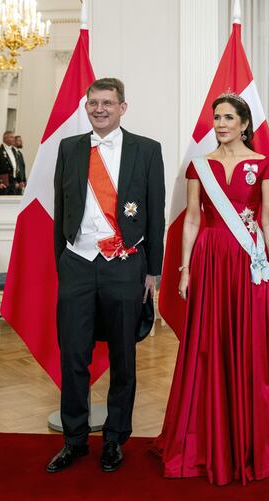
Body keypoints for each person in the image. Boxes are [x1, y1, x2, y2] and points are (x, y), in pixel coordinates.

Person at [152, 92, 269, 486]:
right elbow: (191, 221)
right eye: (216, 117)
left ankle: (251, 441)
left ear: (245, 124)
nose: (220, 124)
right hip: (211, 260)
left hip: (249, 262)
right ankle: (203, 440)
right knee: (206, 345)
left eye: (228, 117)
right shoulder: (199, 166)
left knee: (250, 345)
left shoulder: (263, 165)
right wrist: (184, 270)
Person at [47, 78, 165, 473]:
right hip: (77, 262)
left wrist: (153, 270)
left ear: (122, 107)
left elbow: (156, 214)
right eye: (93, 102)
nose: (99, 109)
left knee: (123, 356)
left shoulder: (147, 150)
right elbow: (61, 207)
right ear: (87, 105)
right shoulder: (70, 148)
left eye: (108, 103)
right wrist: (61, 261)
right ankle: (75, 439)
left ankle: (115, 439)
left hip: (125, 265)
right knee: (74, 354)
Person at [0, 131, 25, 195]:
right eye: (11, 137)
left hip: (14, 183)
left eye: (14, 137)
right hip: (4, 183)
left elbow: (17, 167)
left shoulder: (14, 151)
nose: (14, 139)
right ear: (5, 138)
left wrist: (20, 181)